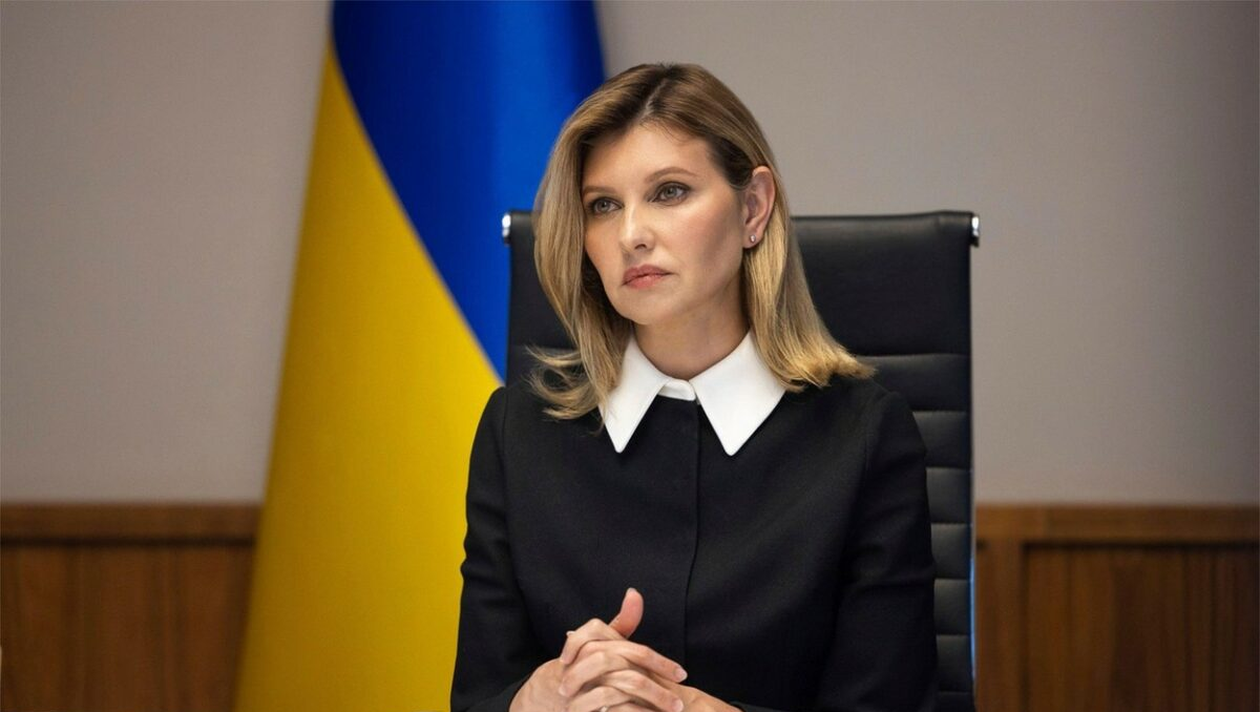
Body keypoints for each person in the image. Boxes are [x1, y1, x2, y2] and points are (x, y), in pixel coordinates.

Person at [451, 63, 936, 712]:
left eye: (670, 191)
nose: (631, 234)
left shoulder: (865, 439)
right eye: (603, 206)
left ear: (753, 208)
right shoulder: (519, 432)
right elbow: (479, 696)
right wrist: (535, 701)